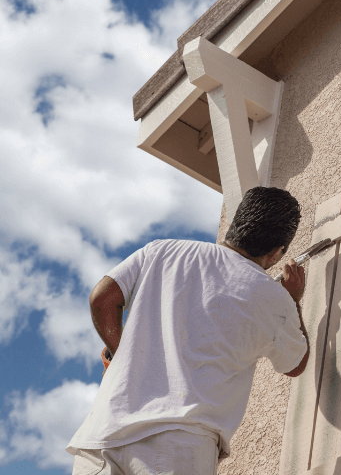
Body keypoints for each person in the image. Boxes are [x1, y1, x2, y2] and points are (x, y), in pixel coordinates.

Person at [67, 186, 310, 475]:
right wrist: (292, 300)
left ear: (235, 224)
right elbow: (295, 364)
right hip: (178, 446)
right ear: (277, 252)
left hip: (104, 433)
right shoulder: (273, 298)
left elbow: (102, 299)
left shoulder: (163, 251)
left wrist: (123, 356)